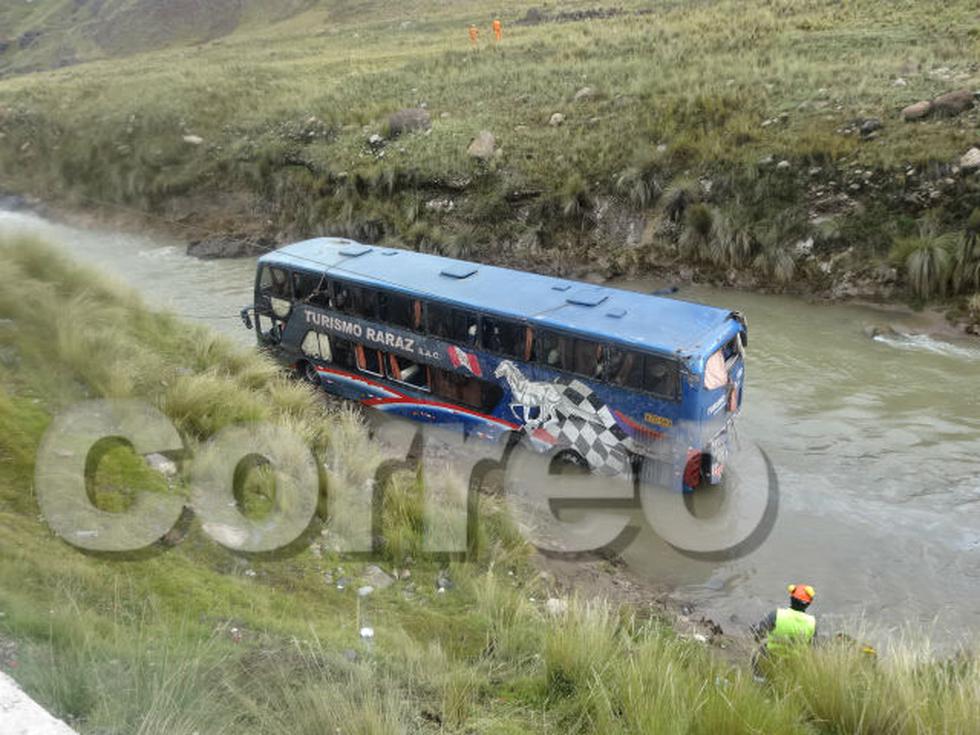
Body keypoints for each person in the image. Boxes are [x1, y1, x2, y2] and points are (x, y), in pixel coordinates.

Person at [751, 584, 817, 677]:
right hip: (795, 662)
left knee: (756, 653)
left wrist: (756, 631)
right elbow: (812, 647)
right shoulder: (812, 622)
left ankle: (758, 678)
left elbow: (758, 633)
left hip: (771, 655)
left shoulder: (777, 614)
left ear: (791, 599)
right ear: (808, 604)